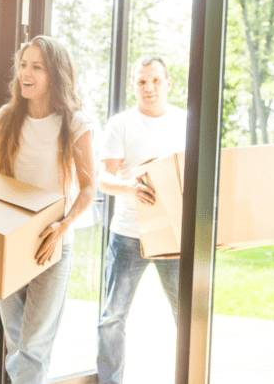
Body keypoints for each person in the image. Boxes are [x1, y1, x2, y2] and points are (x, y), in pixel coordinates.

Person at [0, 35, 97, 384]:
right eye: (23, 65)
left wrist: (63, 227)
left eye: (36, 67)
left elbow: (89, 189)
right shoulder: (6, 119)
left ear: (54, 74)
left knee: (34, 346)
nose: (26, 73)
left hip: (50, 244)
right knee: (17, 343)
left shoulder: (74, 123)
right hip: (7, 240)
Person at [95, 55, 187, 384]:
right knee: (112, 317)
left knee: (187, 317)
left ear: (168, 83)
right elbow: (103, 179)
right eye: (142, 81)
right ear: (133, 85)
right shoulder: (121, 124)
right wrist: (129, 186)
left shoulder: (186, 123)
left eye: (156, 80)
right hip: (128, 235)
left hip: (173, 236)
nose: (149, 87)